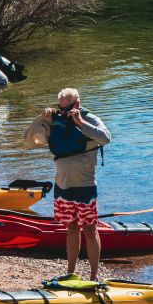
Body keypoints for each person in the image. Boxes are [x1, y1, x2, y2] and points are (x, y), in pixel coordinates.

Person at [23, 88, 111, 280]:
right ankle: (71, 272)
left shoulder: (91, 119)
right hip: (62, 186)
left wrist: (80, 122)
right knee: (71, 227)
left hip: (85, 186)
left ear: (77, 104)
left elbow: (106, 138)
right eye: (60, 108)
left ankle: (94, 275)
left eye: (67, 108)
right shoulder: (56, 119)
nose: (63, 112)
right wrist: (43, 119)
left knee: (89, 228)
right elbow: (29, 139)